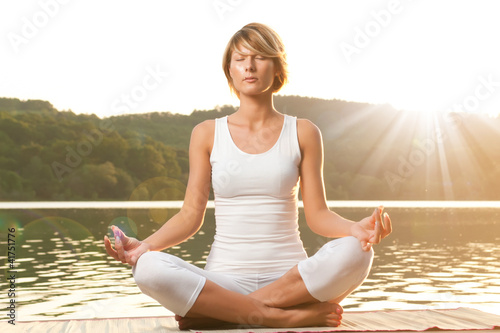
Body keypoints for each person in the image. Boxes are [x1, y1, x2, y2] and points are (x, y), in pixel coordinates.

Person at [104, 22, 392, 329]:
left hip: (291, 281)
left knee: (357, 252)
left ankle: (221, 313)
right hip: (222, 282)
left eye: (260, 57)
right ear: (230, 70)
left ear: (277, 67)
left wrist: (356, 229)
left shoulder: (304, 132)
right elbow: (190, 216)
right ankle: (280, 316)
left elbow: (318, 216)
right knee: (147, 268)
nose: (249, 66)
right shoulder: (206, 134)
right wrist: (144, 246)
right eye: (240, 59)